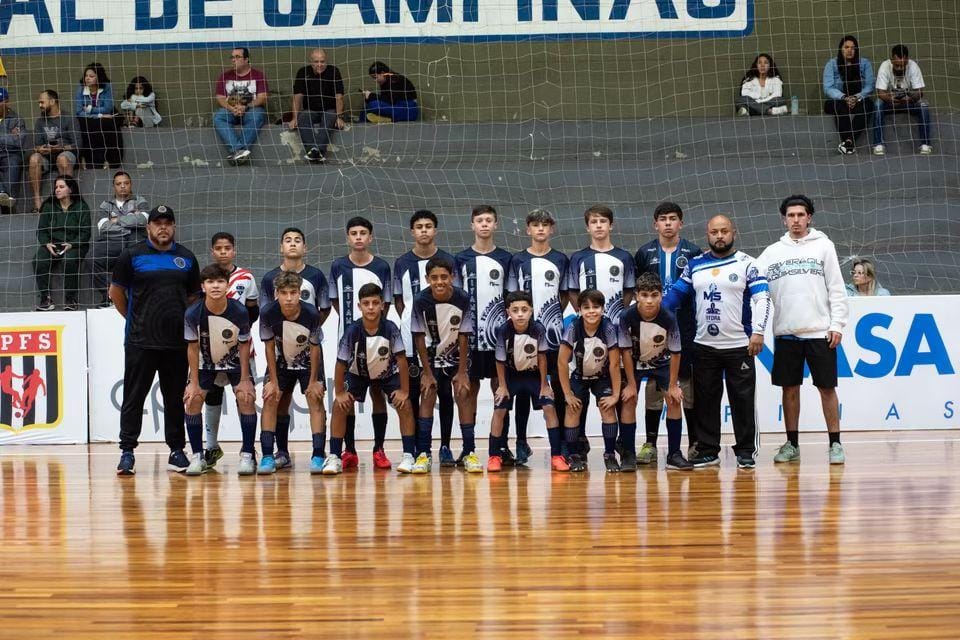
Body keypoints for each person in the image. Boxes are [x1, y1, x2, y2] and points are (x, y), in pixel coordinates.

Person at [663, 215, 771, 469]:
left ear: (734, 232)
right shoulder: (695, 265)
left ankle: (746, 451)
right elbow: (675, 296)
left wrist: (758, 332)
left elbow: (763, 299)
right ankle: (708, 450)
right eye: (714, 232)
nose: (719, 236)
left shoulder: (749, 264)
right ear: (707, 234)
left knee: (742, 401)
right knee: (706, 402)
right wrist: (649, 315)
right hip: (704, 347)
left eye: (724, 231)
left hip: (739, 346)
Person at [759, 195, 849, 465]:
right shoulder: (773, 252)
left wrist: (837, 324)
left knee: (827, 388)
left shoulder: (824, 246)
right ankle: (792, 444)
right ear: (783, 219)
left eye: (800, 215)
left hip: (820, 332)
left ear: (809, 217)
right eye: (791, 215)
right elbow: (751, 276)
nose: (796, 220)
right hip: (786, 333)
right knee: (789, 390)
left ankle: (835, 444)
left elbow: (837, 288)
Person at [112, 205, 201, 475]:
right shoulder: (132, 255)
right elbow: (116, 293)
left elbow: (193, 297)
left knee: (174, 399)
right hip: (140, 341)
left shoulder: (186, 258)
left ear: (174, 227)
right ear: (148, 227)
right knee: (133, 397)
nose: (163, 227)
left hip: (176, 343)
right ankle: (127, 451)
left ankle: (176, 451)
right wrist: (135, 318)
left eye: (168, 223)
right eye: (157, 223)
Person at [633, 201, 702, 463]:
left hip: (685, 326)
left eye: (673, 218)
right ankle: (650, 444)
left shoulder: (694, 252)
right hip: (652, 329)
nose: (668, 223)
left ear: (681, 223)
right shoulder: (644, 252)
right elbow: (639, 292)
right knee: (654, 383)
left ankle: (694, 443)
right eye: (663, 219)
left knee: (686, 385)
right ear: (655, 224)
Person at [259, 227, 331, 470]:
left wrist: (314, 380)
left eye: (293, 293)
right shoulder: (268, 310)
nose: (289, 298)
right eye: (284, 293)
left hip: (307, 357)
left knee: (314, 397)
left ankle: (318, 455)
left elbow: (315, 346)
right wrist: (272, 380)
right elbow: (269, 346)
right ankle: (272, 454)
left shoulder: (311, 311)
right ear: (276, 294)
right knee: (273, 398)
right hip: (281, 358)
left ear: (300, 293)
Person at [325, 283, 415, 475]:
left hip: (386, 374)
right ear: (359, 306)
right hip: (358, 373)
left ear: (382, 305)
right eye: (366, 303)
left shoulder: (390, 328)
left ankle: (407, 455)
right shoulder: (352, 330)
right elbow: (340, 363)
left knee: (405, 404)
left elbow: (401, 359)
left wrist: (404, 391)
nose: (371, 307)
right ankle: (335, 456)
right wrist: (339, 392)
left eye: (375, 303)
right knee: (340, 405)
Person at [566, 204, 635, 452]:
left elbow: (629, 291)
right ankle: (579, 443)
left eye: (603, 221)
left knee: (616, 386)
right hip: (586, 335)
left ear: (611, 225)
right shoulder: (578, 258)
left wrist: (614, 316)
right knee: (580, 390)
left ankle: (621, 445)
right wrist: (587, 317)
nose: (598, 226)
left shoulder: (624, 257)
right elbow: (573, 291)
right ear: (587, 227)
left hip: (614, 334)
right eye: (593, 222)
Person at [392, 210, 457, 465]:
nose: (424, 230)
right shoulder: (402, 262)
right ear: (412, 232)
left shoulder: (448, 260)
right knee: (416, 393)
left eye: (428, 226)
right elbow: (399, 301)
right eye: (419, 226)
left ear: (435, 230)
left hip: (444, 338)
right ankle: (420, 450)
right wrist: (413, 323)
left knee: (445, 393)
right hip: (412, 339)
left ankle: (445, 447)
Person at [329, 216, 393, 470]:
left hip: (377, 344)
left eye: (363, 233)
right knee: (348, 398)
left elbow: (387, 303)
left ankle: (379, 449)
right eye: (354, 233)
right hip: (349, 345)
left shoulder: (382, 267)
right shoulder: (337, 266)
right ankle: (350, 450)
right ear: (348, 238)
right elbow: (335, 302)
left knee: (378, 393)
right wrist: (352, 328)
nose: (358, 237)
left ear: (370, 237)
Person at [505, 208, 569, 464]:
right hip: (524, 336)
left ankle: (562, 443)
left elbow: (564, 296)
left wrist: (550, 321)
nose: (540, 229)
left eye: (545, 225)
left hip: (553, 335)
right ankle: (521, 442)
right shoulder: (518, 260)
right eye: (535, 225)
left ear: (551, 229)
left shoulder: (561, 259)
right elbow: (512, 297)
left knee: (558, 387)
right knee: (522, 389)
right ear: (528, 229)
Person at [182, 264, 257, 476]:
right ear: (203, 286)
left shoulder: (239, 311)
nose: (215, 286)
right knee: (193, 399)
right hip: (206, 362)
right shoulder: (193, 313)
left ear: (227, 285)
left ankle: (248, 455)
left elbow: (244, 344)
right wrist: (193, 382)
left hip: (234, 361)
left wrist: (245, 378)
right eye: (210, 282)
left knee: (245, 398)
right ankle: (198, 457)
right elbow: (192, 347)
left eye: (220, 281)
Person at [455, 205, 513, 466]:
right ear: (472, 225)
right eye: (480, 220)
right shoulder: (461, 259)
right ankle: (468, 449)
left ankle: (501, 447)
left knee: (502, 389)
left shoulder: (506, 258)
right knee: (468, 391)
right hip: (469, 338)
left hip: (499, 339)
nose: (485, 224)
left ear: (496, 224)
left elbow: (512, 298)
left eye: (489, 220)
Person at [619, 272, 691, 471]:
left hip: (661, 363)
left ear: (661, 296)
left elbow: (675, 353)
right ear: (636, 296)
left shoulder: (669, 317)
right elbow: (625, 352)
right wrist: (631, 384)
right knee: (629, 400)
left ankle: (674, 454)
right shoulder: (626, 317)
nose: (649, 301)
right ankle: (628, 455)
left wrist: (673, 385)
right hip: (634, 362)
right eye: (644, 295)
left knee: (674, 399)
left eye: (654, 295)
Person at [410, 256, 475, 473]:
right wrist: (427, 372)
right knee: (427, 394)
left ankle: (469, 452)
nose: (439, 282)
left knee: (463, 394)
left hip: (455, 358)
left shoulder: (462, 298)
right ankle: (424, 454)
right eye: (434, 277)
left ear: (452, 277)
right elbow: (419, 337)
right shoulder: (420, 300)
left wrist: (463, 371)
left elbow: (464, 334)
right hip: (430, 359)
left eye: (444, 277)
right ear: (427, 279)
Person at [203, 232, 260, 468]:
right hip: (212, 350)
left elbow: (253, 310)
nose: (223, 252)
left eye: (227, 248)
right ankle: (211, 447)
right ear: (212, 252)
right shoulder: (207, 278)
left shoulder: (246, 277)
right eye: (219, 248)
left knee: (244, 396)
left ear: (234, 250)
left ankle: (248, 450)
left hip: (240, 349)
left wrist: (239, 329)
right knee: (212, 394)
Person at [489, 291, 562, 472]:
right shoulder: (503, 331)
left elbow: (542, 358)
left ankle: (557, 456)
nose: (520, 314)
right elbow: (499, 360)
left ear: (531, 311)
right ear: (508, 312)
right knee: (499, 409)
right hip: (511, 376)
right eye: (515, 310)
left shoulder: (538, 329)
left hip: (533, 375)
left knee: (549, 407)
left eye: (524, 310)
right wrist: (502, 386)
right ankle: (494, 456)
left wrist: (544, 385)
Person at [557, 289, 621, 472]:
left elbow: (615, 363)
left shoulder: (608, 328)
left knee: (607, 408)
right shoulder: (573, 328)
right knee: (572, 408)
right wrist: (567, 394)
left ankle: (610, 455)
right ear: (579, 310)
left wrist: (615, 395)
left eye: (596, 307)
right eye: (586, 307)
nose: (591, 311)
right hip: (579, 376)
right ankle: (574, 455)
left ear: (603, 308)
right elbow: (561, 361)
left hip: (602, 377)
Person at [90, 171, 148, 307]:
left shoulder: (140, 201)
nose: (122, 186)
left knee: (140, 260)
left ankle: (138, 299)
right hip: (113, 242)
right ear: (113, 186)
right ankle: (109, 297)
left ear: (131, 184)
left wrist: (116, 220)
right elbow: (103, 227)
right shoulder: (106, 205)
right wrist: (130, 223)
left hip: (135, 241)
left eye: (126, 183)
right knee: (91, 258)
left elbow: (143, 220)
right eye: (119, 184)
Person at [33, 175, 91, 311]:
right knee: (38, 260)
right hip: (53, 244)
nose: (57, 190)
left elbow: (86, 233)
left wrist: (72, 244)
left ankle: (70, 300)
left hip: (75, 244)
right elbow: (41, 230)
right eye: (56, 187)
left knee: (69, 260)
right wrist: (46, 243)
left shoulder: (82, 207)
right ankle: (46, 299)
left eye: (61, 187)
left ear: (70, 189)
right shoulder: (48, 206)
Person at [873, 44, 933, 156]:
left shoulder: (913, 66)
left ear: (907, 60)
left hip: (908, 102)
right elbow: (880, 93)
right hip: (890, 103)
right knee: (877, 104)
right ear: (892, 60)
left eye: (903, 65)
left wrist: (911, 98)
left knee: (923, 105)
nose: (900, 68)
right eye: (897, 65)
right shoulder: (885, 66)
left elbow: (920, 92)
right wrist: (890, 99)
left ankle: (925, 144)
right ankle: (878, 144)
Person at [213, 47, 269, 165]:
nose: (233, 60)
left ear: (246, 59)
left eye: (237, 57)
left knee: (257, 116)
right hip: (231, 110)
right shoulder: (225, 76)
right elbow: (220, 97)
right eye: (232, 57)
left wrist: (246, 106)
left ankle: (238, 152)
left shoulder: (258, 75)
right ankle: (239, 150)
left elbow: (262, 97)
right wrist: (232, 108)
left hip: (250, 110)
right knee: (218, 117)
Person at [823, 35, 876, 155]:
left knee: (869, 105)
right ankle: (849, 143)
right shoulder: (831, 64)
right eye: (846, 47)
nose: (850, 50)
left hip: (858, 100)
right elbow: (828, 88)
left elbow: (869, 86)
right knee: (839, 107)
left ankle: (848, 142)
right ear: (841, 49)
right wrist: (844, 97)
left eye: (853, 48)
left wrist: (856, 97)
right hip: (839, 100)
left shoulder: (865, 64)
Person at [289, 48, 344, 163]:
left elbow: (339, 96)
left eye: (322, 61)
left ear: (326, 61)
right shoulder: (303, 72)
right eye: (316, 62)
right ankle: (313, 151)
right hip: (311, 110)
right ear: (311, 62)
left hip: (329, 110)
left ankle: (317, 151)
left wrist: (339, 117)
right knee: (303, 117)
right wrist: (294, 118)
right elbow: (297, 97)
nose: (319, 64)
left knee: (330, 116)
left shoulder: (334, 71)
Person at [28, 90, 78, 214]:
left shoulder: (69, 118)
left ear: (52, 101)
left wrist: (61, 148)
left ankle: (68, 201)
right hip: (47, 157)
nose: (40, 105)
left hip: (65, 154)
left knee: (62, 158)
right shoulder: (40, 121)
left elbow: (77, 145)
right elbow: (36, 146)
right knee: (34, 158)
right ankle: (37, 201)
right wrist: (40, 149)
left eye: (42, 102)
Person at [74, 62, 123, 168]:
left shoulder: (107, 87)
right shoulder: (80, 88)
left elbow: (107, 108)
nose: (87, 78)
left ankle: (110, 160)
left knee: (107, 123)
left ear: (98, 77)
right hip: (90, 119)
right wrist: (98, 115)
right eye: (86, 76)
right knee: (85, 123)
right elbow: (79, 112)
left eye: (91, 76)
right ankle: (90, 160)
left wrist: (90, 109)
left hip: (106, 118)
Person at [0, 87, 27, 213]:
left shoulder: (17, 119)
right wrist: (8, 136)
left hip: (11, 154)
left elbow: (18, 141)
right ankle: (2, 192)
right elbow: (12, 140)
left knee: (12, 164)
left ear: (7, 103)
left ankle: (8, 202)